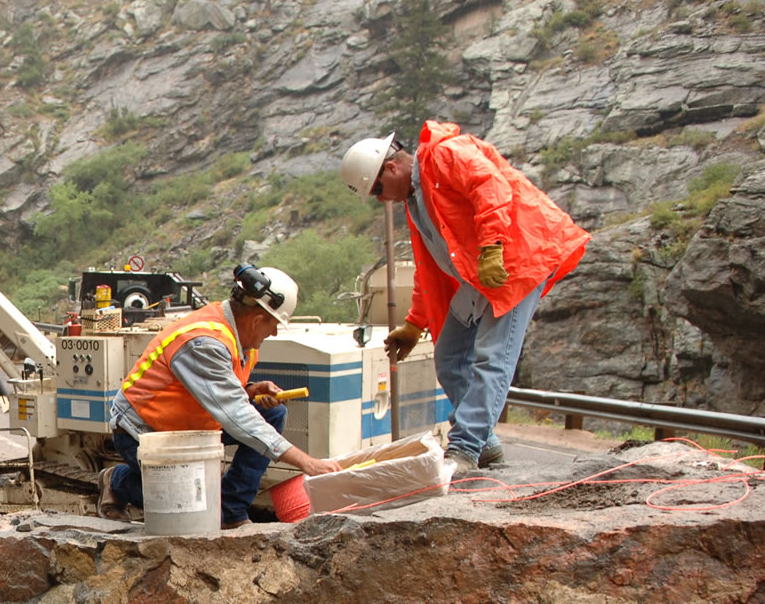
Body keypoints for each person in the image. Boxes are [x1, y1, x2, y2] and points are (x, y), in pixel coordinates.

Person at [340, 123, 590, 474]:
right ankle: (484, 445)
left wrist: (492, 246)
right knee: (450, 356)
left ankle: (466, 448)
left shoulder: (444, 154)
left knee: (492, 358)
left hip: (516, 260)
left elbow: (491, 187)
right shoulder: (416, 202)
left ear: (392, 168)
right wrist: (414, 324)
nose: (381, 199)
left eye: (378, 189)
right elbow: (432, 269)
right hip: (480, 274)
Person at [100, 264, 342, 527]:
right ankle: (116, 482)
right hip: (143, 431)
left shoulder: (238, 336)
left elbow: (218, 392)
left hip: (186, 427)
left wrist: (250, 391)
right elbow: (237, 416)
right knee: (193, 502)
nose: (273, 333)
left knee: (272, 413)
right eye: (274, 325)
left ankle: (230, 510)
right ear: (258, 319)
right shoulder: (204, 341)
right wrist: (307, 462)